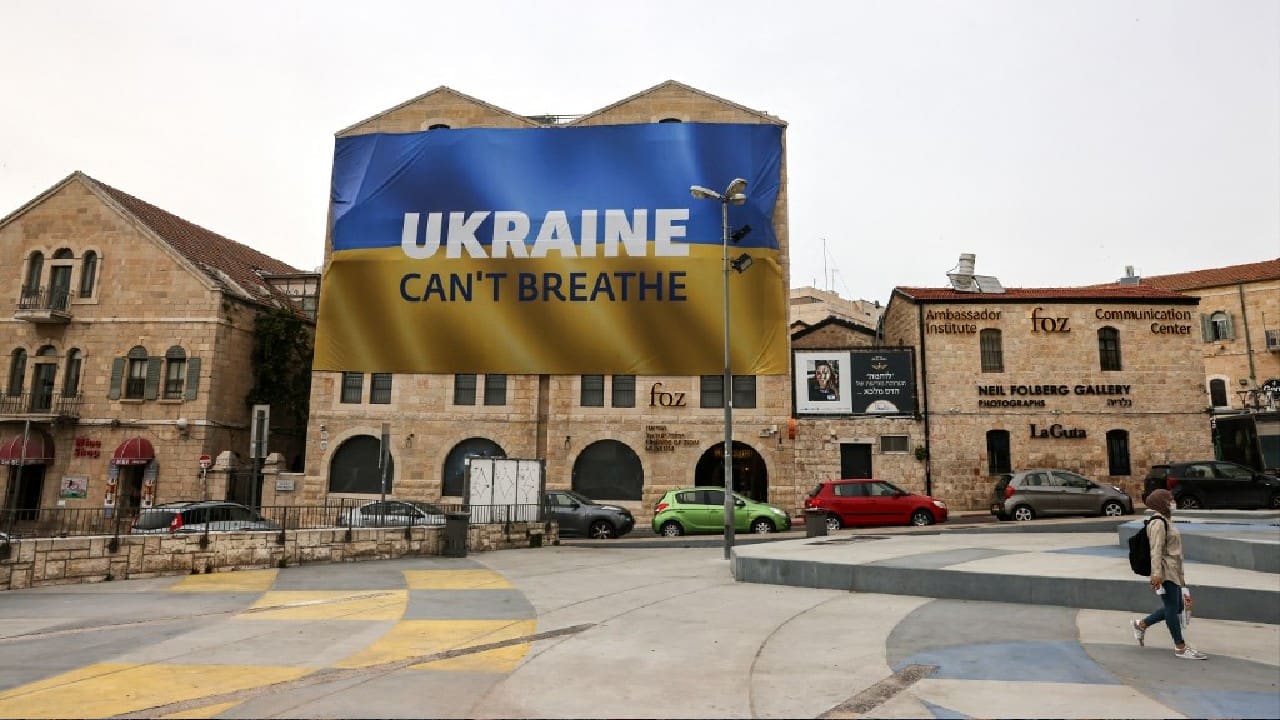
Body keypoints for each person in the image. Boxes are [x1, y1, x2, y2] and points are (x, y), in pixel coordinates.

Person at [1130, 489, 1207, 659]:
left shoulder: (1166, 520)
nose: (1173, 501)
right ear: (1161, 502)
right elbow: (1155, 550)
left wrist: (1180, 575)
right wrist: (1156, 574)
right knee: (1173, 607)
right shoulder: (1158, 522)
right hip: (1164, 571)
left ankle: (1141, 624)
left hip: (1172, 570)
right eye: (1169, 499)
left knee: (1177, 606)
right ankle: (1180, 647)